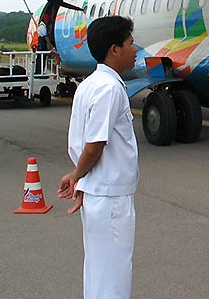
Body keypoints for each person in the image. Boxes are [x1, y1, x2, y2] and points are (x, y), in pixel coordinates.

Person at [58, 16, 139, 299]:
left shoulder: (90, 84)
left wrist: (82, 180)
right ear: (114, 49)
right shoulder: (109, 88)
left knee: (99, 270)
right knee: (113, 274)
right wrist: (76, 176)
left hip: (98, 191)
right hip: (110, 197)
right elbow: (94, 145)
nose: (135, 49)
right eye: (130, 43)